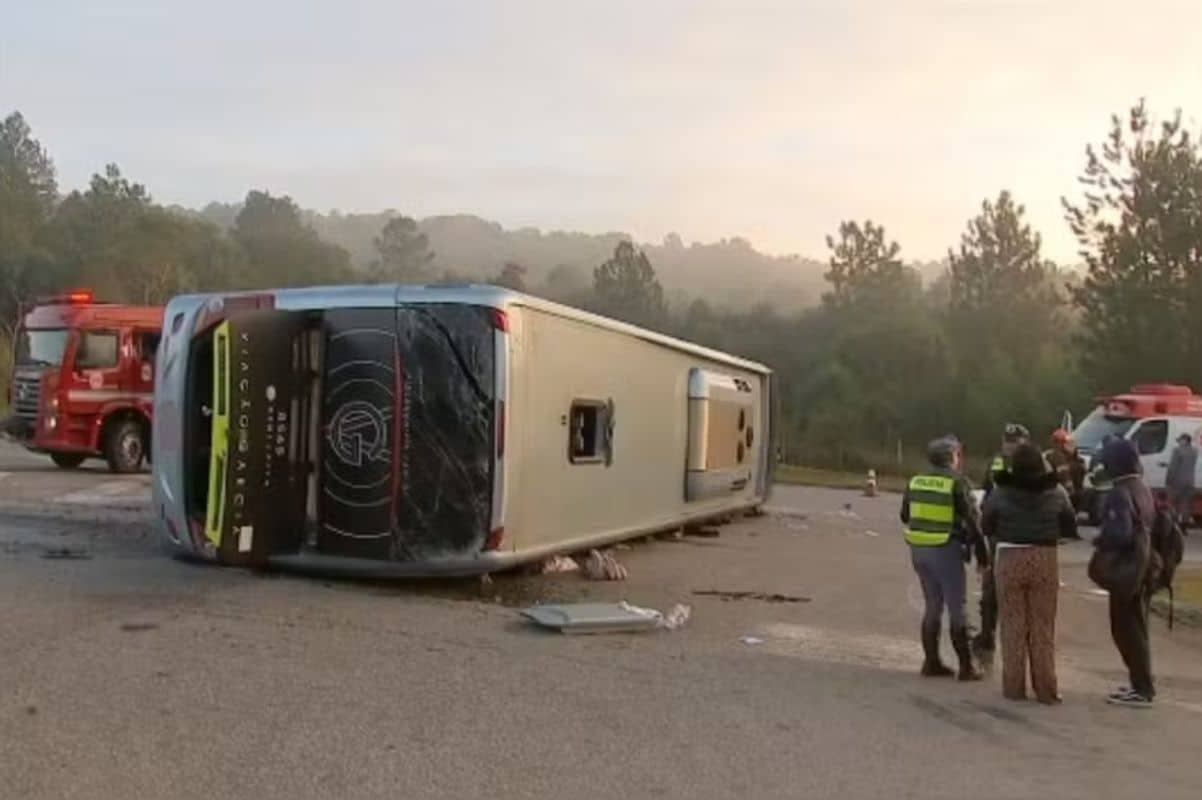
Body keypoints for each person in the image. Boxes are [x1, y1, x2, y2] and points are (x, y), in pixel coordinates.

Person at [982, 444, 1077, 703]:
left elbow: (986, 523)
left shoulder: (1001, 493)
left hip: (1009, 557)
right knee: (1042, 625)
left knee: (1012, 623)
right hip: (1044, 557)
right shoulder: (1055, 492)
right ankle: (1046, 688)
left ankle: (1013, 687)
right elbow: (1070, 524)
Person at [900, 436, 989, 681]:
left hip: (918, 548)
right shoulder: (956, 482)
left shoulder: (916, 480)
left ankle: (931, 661)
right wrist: (982, 553)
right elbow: (972, 520)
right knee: (957, 606)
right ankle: (966, 666)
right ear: (952, 457)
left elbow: (904, 514)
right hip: (945, 547)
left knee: (932, 606)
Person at [1093, 438, 1157, 708]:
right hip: (1144, 566)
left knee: (1126, 629)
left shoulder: (1120, 492)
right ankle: (1140, 683)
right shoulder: (1142, 487)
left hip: (1126, 570)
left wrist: (1100, 539)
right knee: (1137, 627)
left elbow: (1119, 533)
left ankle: (1141, 688)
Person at [974, 422, 1030, 657]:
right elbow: (986, 492)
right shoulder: (1000, 463)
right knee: (993, 590)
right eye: (1007, 441)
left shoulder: (1030, 465)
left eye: (1015, 441)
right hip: (1002, 533)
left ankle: (1011, 641)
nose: (1010, 446)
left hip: (1013, 533)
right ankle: (989, 637)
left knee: (1010, 589)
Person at [1165, 433, 1197, 530]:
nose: (1178, 442)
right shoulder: (1194, 451)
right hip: (1190, 481)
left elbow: (1173, 467)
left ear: (1185, 440)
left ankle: (1173, 525)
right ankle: (1184, 526)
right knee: (1186, 504)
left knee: (1172, 503)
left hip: (1177, 481)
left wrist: (1168, 480)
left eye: (1180, 440)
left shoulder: (1177, 450)